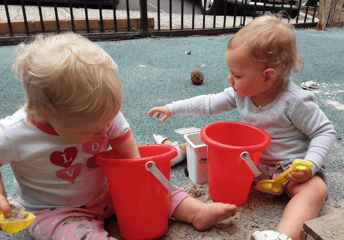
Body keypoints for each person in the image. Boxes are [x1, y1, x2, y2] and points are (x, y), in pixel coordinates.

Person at [0, 33, 237, 239]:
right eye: (93, 129)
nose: (104, 131)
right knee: (68, 233)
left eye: (108, 121)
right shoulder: (13, 133)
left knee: (159, 187)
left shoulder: (103, 114)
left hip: (111, 191)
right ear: (46, 113)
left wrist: (141, 187)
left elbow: (131, 159)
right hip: (57, 211)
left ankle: (195, 211)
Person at [148, 15, 336, 240]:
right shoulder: (242, 93)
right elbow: (209, 102)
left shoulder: (295, 101)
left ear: (268, 77)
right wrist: (172, 108)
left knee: (316, 190)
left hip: (286, 170)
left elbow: (324, 131)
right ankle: (178, 151)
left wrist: (310, 165)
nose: (230, 79)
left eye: (237, 75)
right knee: (216, 137)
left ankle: (284, 235)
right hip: (248, 161)